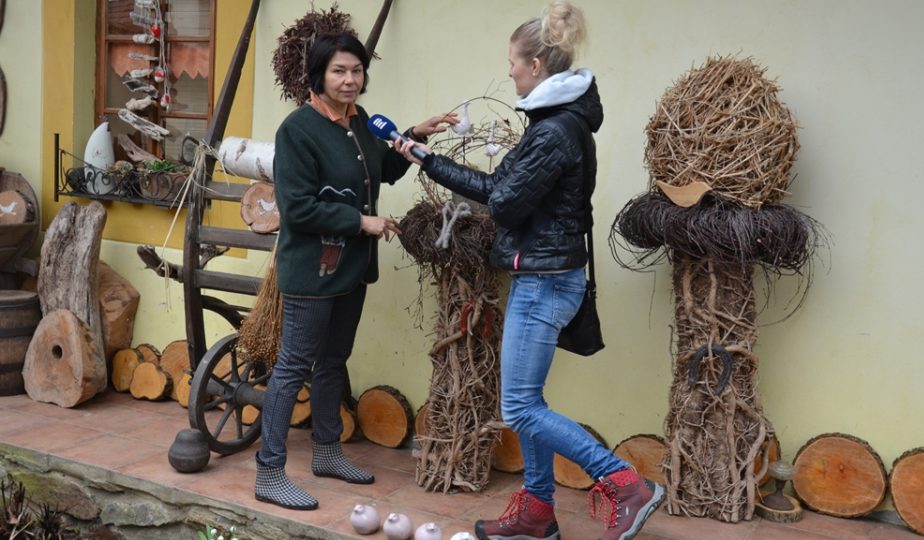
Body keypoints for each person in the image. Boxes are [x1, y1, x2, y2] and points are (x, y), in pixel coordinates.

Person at [395, 2, 665, 539]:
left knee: (518, 407)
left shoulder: (554, 131)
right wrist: (424, 156)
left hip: (544, 282)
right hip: (544, 274)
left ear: (537, 66)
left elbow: (503, 200)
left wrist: (428, 160)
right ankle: (538, 512)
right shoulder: (553, 124)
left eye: (514, 63)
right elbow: (505, 187)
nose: (511, 72)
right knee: (530, 403)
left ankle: (625, 483)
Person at [254, 32, 454, 511]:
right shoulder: (297, 130)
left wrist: (415, 135)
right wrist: (359, 221)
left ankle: (326, 452)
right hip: (312, 274)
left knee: (333, 361)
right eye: (339, 71)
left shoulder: (359, 121)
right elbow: (297, 209)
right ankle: (269, 472)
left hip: (351, 270)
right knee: (292, 368)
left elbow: (380, 169)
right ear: (319, 76)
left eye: (356, 71)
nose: (350, 80)